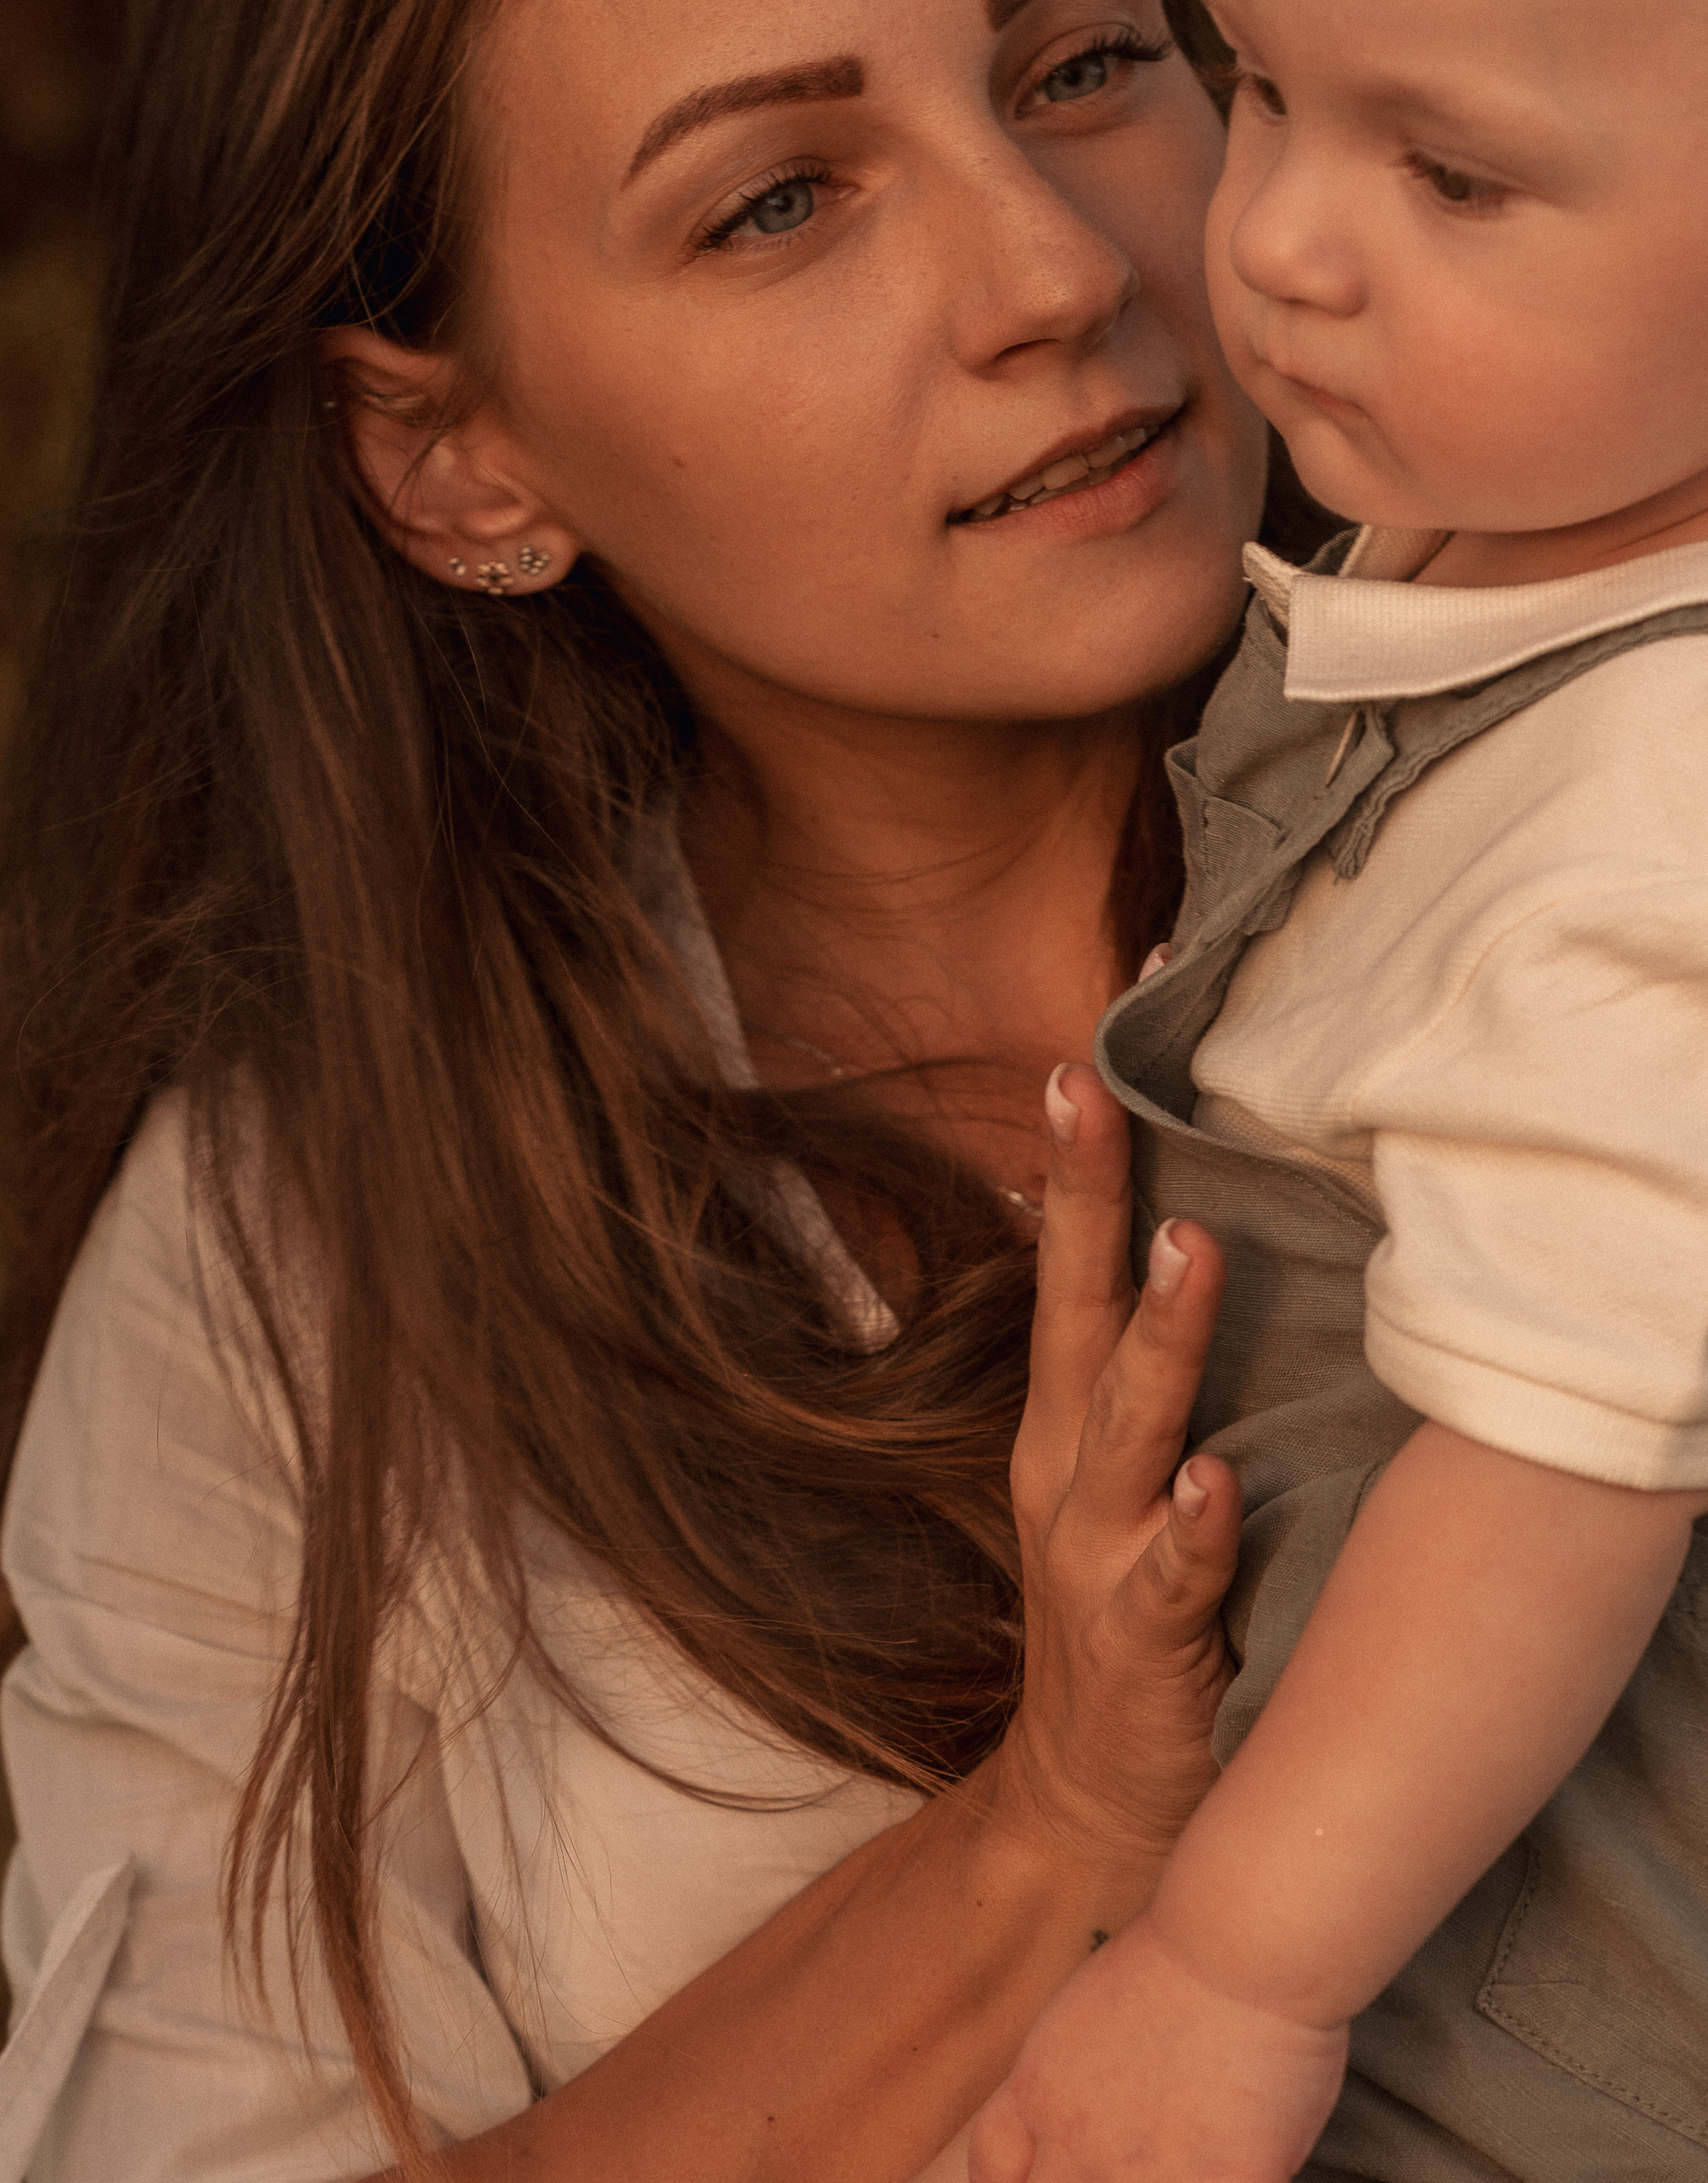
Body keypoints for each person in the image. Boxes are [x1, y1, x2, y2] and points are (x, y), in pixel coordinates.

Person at [0, 0, 1293, 2176]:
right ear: (450, 457)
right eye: (776, 199)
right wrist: (1036, 1837)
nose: (1055, 269)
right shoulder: (302, 1250)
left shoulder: (1705, 857)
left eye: (1075, 64)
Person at [972, 0, 1708, 2178]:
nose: (1278, 242)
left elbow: (1556, 1476)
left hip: (1687, 1987)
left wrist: (1232, 1977)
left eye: (1450, 177)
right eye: (1259, 85)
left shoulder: (1706, 823)